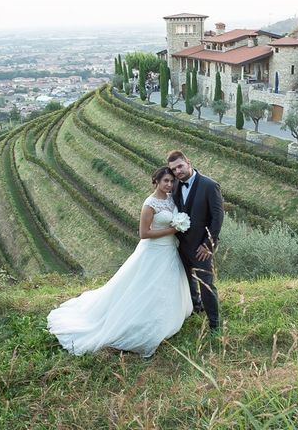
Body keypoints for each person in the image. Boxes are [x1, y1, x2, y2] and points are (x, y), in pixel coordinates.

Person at [47, 167, 192, 357]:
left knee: (165, 287)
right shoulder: (149, 204)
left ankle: (164, 320)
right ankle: (140, 325)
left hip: (169, 250)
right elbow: (144, 233)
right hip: (154, 251)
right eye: (166, 181)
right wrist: (172, 230)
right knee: (146, 287)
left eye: (172, 181)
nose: (169, 185)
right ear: (155, 181)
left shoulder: (171, 199)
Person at [167, 150, 224, 331]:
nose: (177, 171)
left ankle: (214, 324)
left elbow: (217, 216)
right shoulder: (174, 185)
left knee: (206, 284)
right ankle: (195, 307)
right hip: (180, 245)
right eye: (174, 169)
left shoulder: (209, 185)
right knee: (186, 280)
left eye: (180, 166)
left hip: (201, 247)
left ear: (188, 162)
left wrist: (208, 244)